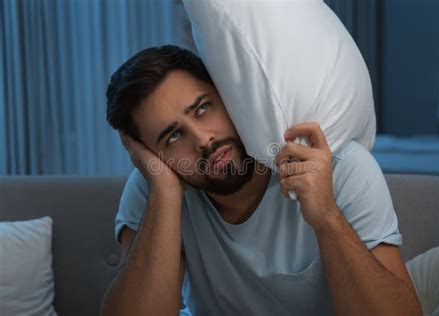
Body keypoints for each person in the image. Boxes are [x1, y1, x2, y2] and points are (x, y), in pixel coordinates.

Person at [101, 45, 422, 316]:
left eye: (202, 108)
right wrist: (166, 194)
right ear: (148, 155)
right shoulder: (154, 188)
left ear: (229, 95)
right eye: (172, 136)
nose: (203, 139)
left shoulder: (340, 166)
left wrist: (327, 217)